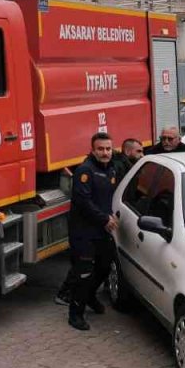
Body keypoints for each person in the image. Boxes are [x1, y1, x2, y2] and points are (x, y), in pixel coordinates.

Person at [67, 132, 119, 331]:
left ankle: (89, 296)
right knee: (84, 272)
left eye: (108, 149)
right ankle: (75, 314)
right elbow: (83, 202)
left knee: (105, 267)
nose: (105, 153)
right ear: (92, 150)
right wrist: (105, 218)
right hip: (84, 232)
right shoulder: (84, 171)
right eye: (100, 149)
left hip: (102, 230)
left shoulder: (111, 170)